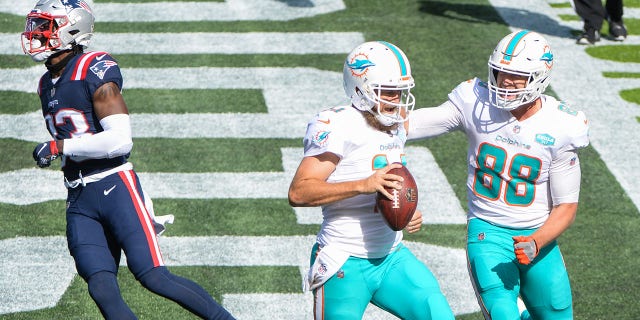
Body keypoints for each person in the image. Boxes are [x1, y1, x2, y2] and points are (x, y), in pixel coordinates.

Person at [22, 1, 235, 319]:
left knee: (154, 277)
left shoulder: (92, 67)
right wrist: (63, 150)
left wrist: (59, 147)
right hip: (78, 196)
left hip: (114, 186)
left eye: (45, 26)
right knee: (100, 286)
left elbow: (120, 140)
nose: (35, 34)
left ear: (71, 28)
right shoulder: (46, 82)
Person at [408, 30, 590, 319]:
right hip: (488, 231)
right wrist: (373, 123)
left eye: (516, 76)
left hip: (538, 235)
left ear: (539, 77)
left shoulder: (560, 125)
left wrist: (537, 241)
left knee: (557, 313)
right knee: (502, 312)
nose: (505, 82)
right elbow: (413, 124)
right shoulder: (474, 101)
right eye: (500, 72)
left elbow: (566, 206)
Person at [288, 41, 454, 320]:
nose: (396, 101)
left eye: (400, 92)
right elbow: (299, 191)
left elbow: (442, 118)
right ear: (359, 88)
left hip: (392, 257)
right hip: (344, 260)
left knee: (437, 313)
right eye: (387, 92)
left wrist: (406, 211)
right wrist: (362, 185)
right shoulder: (337, 125)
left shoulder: (396, 123)